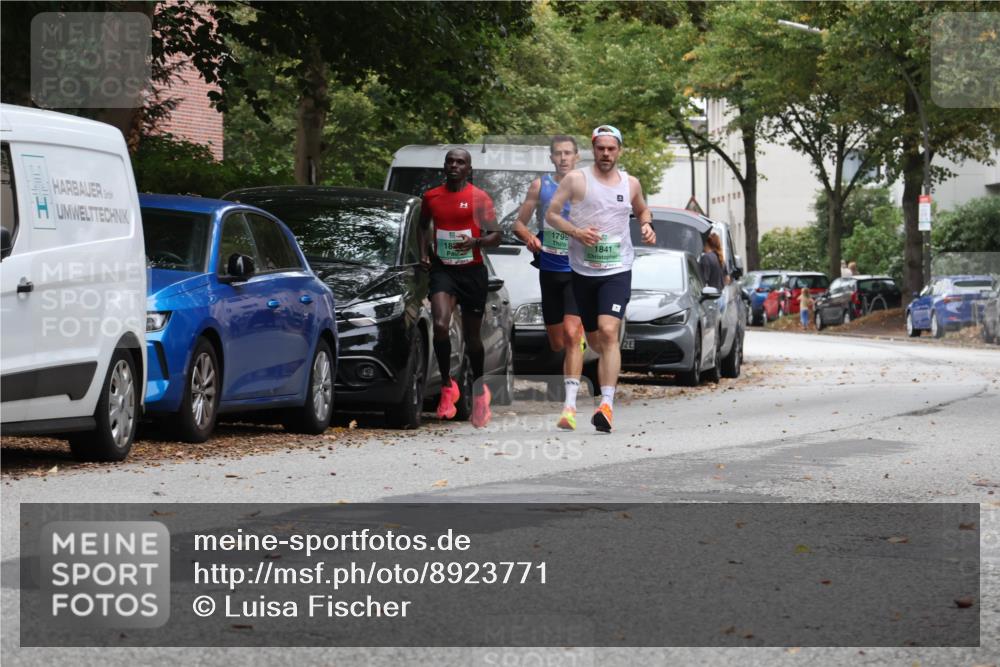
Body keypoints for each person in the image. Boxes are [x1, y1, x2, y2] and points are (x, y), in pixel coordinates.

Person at [545, 125, 656, 433]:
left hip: (618, 269)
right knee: (593, 339)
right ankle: (585, 393)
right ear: (593, 149)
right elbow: (552, 215)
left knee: (608, 332)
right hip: (582, 271)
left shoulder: (630, 183)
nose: (606, 154)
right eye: (601, 148)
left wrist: (646, 225)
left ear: (619, 150)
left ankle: (605, 405)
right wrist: (577, 232)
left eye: (612, 148)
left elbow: (643, 210)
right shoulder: (576, 180)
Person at [419, 148, 502, 428]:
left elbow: (496, 236)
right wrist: (424, 253)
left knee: (472, 338)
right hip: (444, 271)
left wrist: (476, 242)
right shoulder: (431, 197)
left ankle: (479, 392)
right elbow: (422, 226)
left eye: (460, 162)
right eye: (450, 162)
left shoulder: (479, 198)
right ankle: (446, 386)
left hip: (472, 272)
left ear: (469, 169)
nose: (454, 166)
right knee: (440, 326)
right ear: (444, 166)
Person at [512, 135, 585, 430]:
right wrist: (529, 237)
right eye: (559, 154)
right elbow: (518, 223)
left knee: (570, 334)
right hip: (549, 270)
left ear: (577, 157)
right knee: (557, 341)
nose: (564, 158)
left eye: (569, 153)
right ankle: (576, 342)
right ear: (552, 158)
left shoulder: (587, 187)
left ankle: (569, 407)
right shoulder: (540, 186)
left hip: (578, 271)